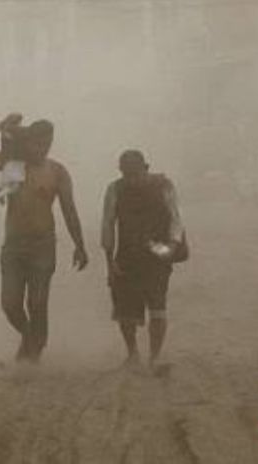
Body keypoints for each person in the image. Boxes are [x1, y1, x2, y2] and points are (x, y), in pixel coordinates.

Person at [0, 113, 89, 364]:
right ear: (27, 142)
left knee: (38, 301)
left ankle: (33, 353)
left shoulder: (57, 171)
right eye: (38, 144)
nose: (42, 149)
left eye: (47, 144)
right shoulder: (12, 167)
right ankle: (30, 337)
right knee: (10, 304)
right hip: (13, 246)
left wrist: (80, 244)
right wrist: (2, 124)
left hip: (42, 245)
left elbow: (69, 210)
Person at [101, 149, 184, 371]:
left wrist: (172, 247)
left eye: (136, 174)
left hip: (156, 255)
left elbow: (175, 218)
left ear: (146, 169)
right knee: (125, 311)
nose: (132, 180)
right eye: (127, 175)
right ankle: (132, 354)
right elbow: (108, 224)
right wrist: (110, 262)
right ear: (121, 173)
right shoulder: (115, 189)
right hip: (127, 256)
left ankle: (154, 357)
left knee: (158, 305)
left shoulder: (164, 186)